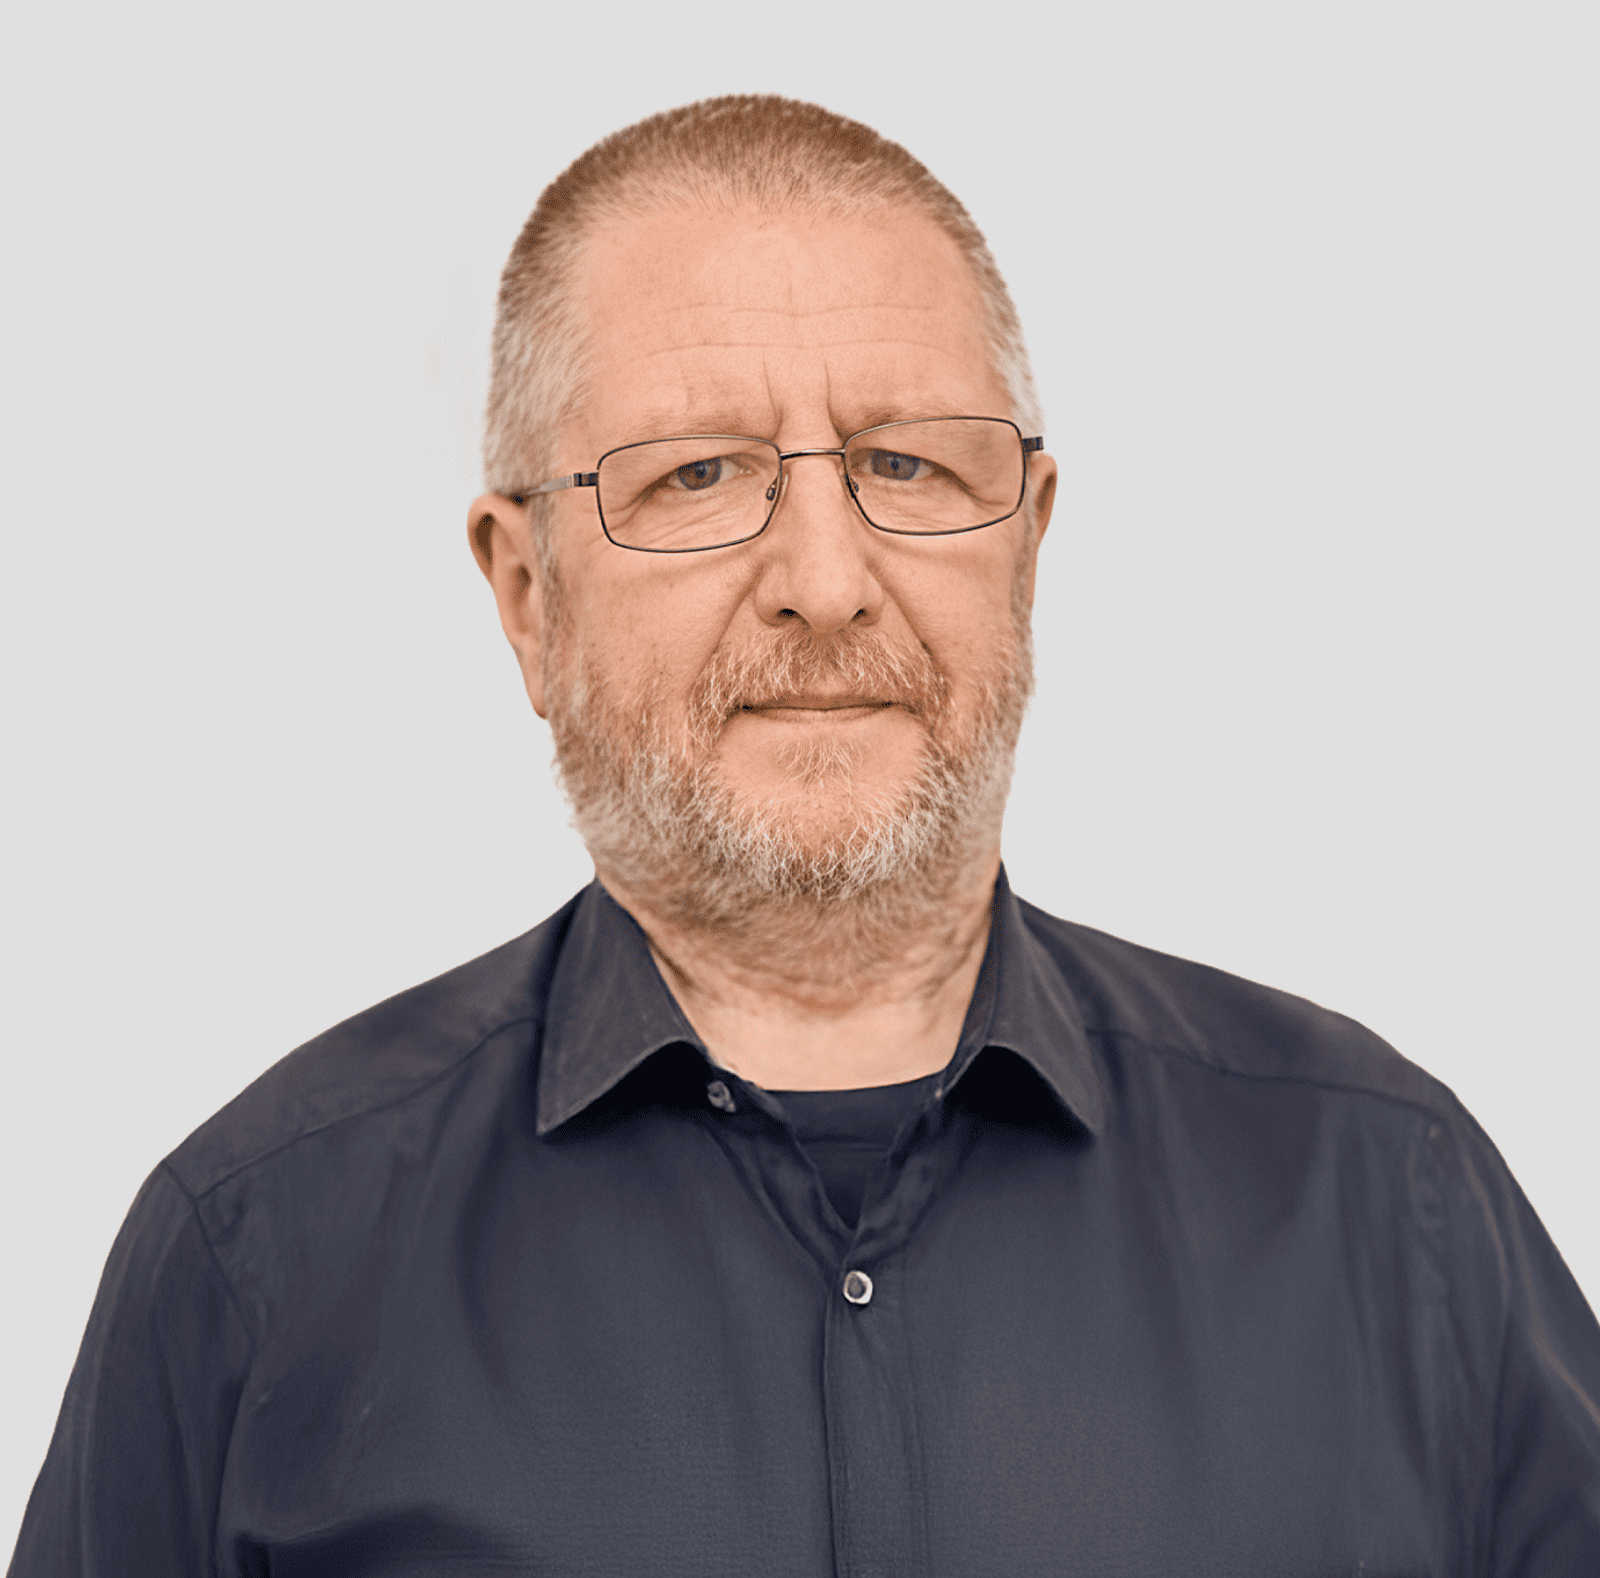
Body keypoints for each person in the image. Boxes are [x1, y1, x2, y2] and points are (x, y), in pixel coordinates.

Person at [11, 94, 1600, 1577]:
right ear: (527, 594)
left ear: (1028, 546)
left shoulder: (1392, 1208)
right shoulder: (257, 1260)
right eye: (700, 475)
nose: (827, 582)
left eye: (908, 462)